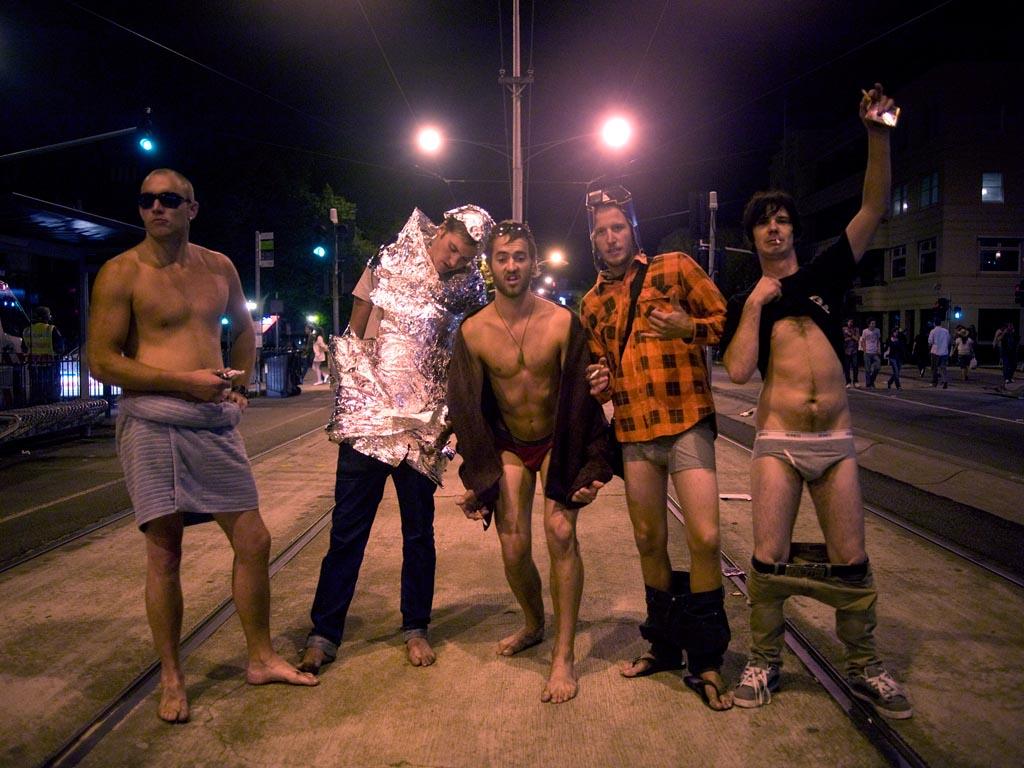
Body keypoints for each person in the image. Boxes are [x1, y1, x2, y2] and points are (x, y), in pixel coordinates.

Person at [88, 168, 317, 723]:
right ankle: (171, 675)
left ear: (192, 208)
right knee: (165, 551)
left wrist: (238, 382)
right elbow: (102, 359)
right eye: (146, 200)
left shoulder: (219, 267)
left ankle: (260, 657)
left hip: (212, 423)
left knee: (254, 538)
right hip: (153, 421)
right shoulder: (121, 273)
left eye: (169, 199)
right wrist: (183, 382)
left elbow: (243, 329)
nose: (156, 208)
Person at [720, 85, 912, 719]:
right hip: (775, 443)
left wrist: (877, 132)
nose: (774, 228)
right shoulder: (753, 298)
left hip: (834, 442)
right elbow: (741, 371)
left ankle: (864, 667)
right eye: (763, 223)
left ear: (792, 229)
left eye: (782, 220)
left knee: (851, 561)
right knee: (769, 559)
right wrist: (753, 304)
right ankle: (764, 660)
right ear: (753, 237)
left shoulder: (828, 269)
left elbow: (874, 205)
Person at [300, 204, 493, 674]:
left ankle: (416, 627)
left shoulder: (470, 288)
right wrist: (357, 399)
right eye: (452, 249)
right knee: (347, 533)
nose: (453, 261)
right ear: (441, 230)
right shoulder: (387, 260)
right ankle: (323, 634)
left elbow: (478, 344)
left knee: (418, 535)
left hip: (424, 428)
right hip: (370, 419)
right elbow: (356, 331)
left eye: (464, 257)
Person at [580, 185, 733, 711]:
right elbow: (598, 367)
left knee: (707, 537)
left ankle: (708, 657)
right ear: (593, 241)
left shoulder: (675, 268)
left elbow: (723, 322)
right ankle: (665, 647)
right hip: (635, 432)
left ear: (633, 229)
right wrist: (598, 381)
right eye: (601, 231)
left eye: (617, 226)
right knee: (649, 540)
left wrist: (688, 325)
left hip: (686, 419)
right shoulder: (592, 302)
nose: (610, 237)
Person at [447, 220, 612, 703]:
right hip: (510, 443)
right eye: (502, 257)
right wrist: (478, 478)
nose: (512, 266)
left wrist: (592, 466)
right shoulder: (474, 331)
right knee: (514, 547)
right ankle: (534, 623)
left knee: (560, 533)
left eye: (520, 256)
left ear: (532, 262)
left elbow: (584, 401)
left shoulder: (561, 322)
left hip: (556, 439)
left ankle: (563, 656)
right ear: (490, 264)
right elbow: (466, 408)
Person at [23, 305, 64, 402]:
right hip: (50, 366)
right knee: (51, 392)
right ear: (47, 317)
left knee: (36, 390)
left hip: (34, 366)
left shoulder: (27, 330)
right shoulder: (51, 329)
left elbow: (24, 348)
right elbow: (60, 347)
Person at [928, 319, 951, 389]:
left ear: (934, 324)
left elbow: (930, 341)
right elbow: (949, 340)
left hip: (935, 351)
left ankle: (934, 382)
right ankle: (945, 381)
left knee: (934, 367)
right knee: (943, 367)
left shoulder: (933, 331)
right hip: (944, 351)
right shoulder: (946, 331)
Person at [859, 319, 881, 388]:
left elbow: (878, 340)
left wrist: (879, 349)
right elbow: (862, 341)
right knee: (868, 369)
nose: (873, 325)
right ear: (869, 324)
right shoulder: (865, 331)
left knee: (878, 367)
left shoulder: (877, 330)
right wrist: (865, 350)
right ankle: (868, 384)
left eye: (874, 323)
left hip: (874, 352)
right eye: (872, 323)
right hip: (867, 352)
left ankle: (871, 380)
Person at [842, 318, 860, 388]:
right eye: (849, 321)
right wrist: (851, 337)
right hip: (846, 351)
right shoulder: (843, 329)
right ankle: (848, 382)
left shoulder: (856, 329)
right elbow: (843, 339)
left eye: (851, 322)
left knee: (855, 366)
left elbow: (857, 339)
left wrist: (849, 334)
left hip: (854, 351)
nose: (850, 323)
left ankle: (855, 381)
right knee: (847, 367)